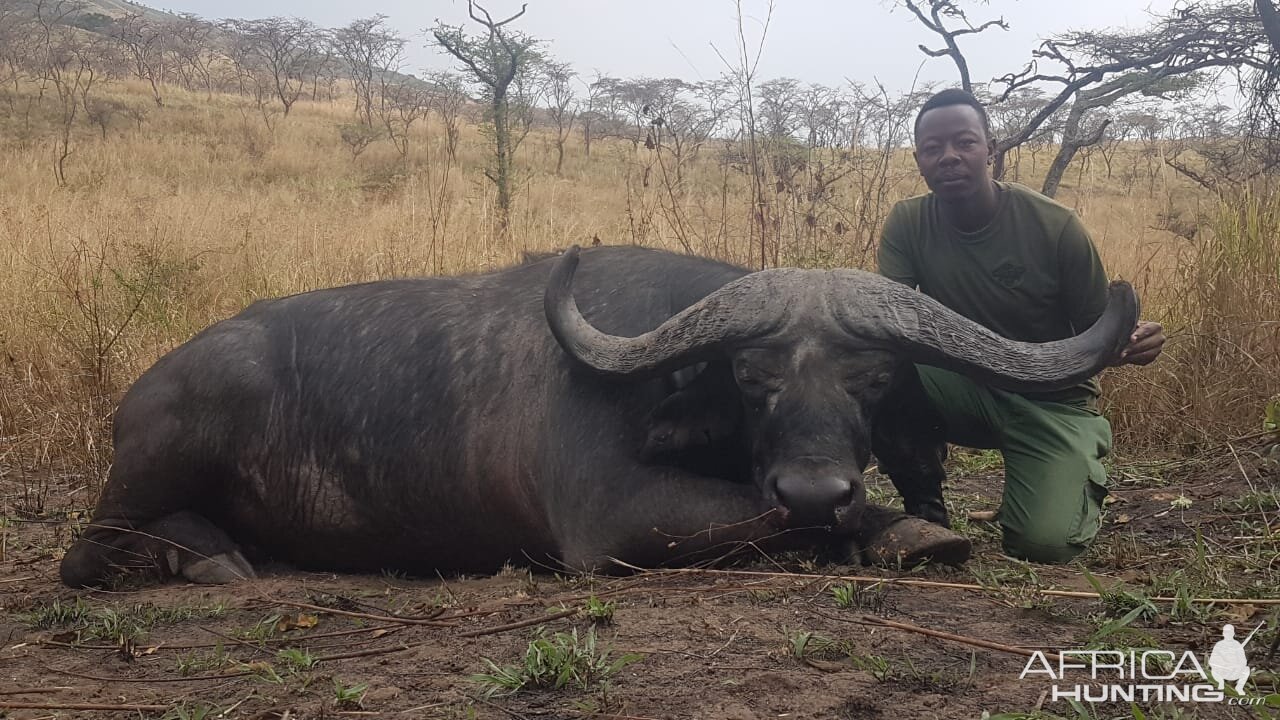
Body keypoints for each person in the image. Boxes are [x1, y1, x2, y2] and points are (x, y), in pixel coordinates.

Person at [877, 88, 1166, 564]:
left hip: (1052, 397)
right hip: (962, 387)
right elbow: (893, 322)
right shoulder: (907, 222)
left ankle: (1069, 462)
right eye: (933, 148)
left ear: (992, 149)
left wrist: (1135, 341)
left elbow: (1099, 333)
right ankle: (926, 504)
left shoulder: (1056, 225)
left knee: (1041, 546)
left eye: (964, 143)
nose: (949, 157)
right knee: (873, 371)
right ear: (919, 160)